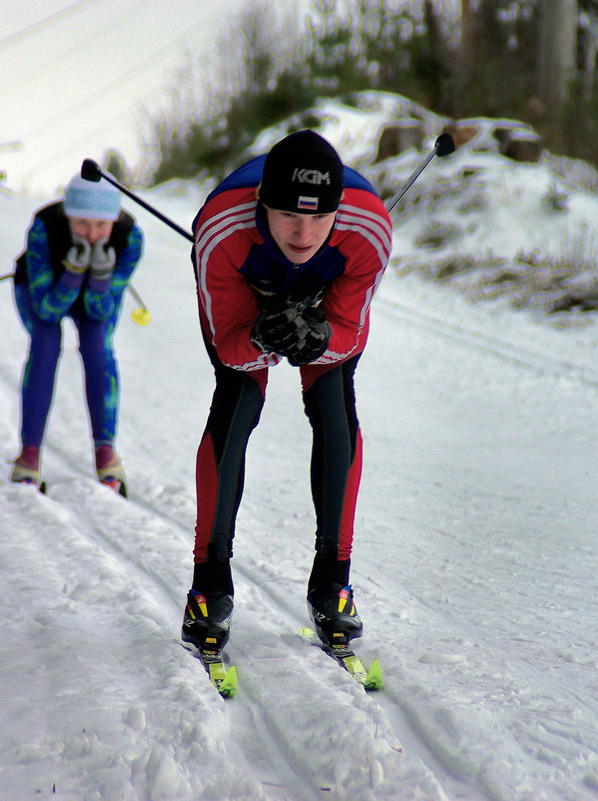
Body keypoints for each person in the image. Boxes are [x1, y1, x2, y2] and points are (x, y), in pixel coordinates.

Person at [181, 129, 393, 657]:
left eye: (320, 218)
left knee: (333, 402)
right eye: (290, 217)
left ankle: (333, 583)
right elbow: (231, 349)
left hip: (323, 302)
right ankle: (208, 587)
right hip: (245, 298)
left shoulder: (369, 230)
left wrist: (319, 338)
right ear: (262, 204)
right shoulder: (221, 230)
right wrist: (259, 336)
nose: (304, 234)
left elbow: (350, 331)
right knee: (239, 400)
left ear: (338, 209)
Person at [10, 172, 144, 495]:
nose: (93, 234)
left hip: (93, 294)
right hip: (42, 291)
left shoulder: (129, 238)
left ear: (114, 220)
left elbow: (100, 311)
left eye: (102, 225)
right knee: (46, 342)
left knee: (98, 345)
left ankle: (105, 450)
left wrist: (98, 277)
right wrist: (71, 274)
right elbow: (46, 309)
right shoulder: (44, 226)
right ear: (67, 215)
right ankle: (29, 454)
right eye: (81, 223)